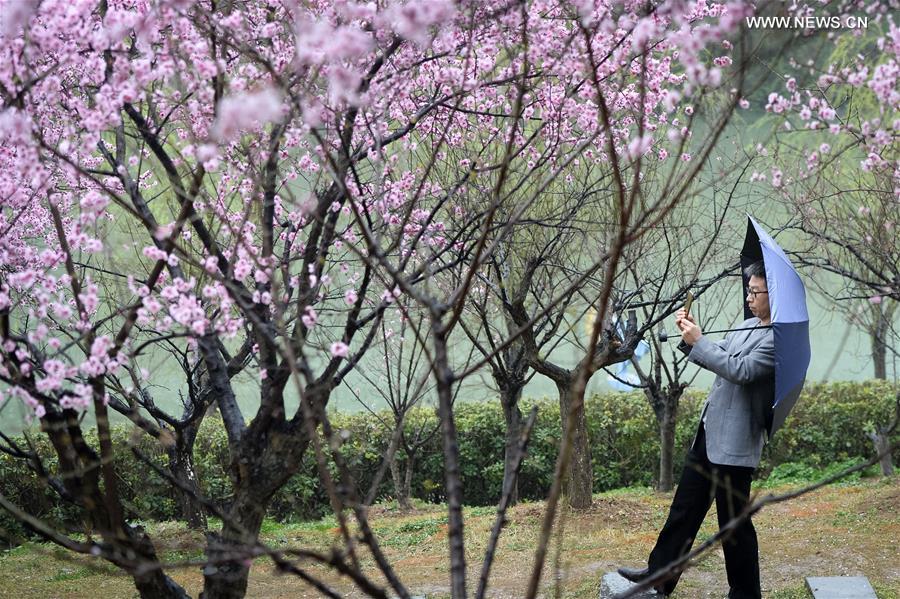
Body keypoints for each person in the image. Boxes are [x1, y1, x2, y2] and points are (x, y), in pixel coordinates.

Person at [617, 261, 775, 599]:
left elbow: (741, 370)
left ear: (773, 295)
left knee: (734, 523)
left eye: (755, 292)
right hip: (711, 430)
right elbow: (721, 354)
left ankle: (746, 593)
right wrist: (692, 338)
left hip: (735, 442)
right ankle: (659, 573)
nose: (749, 297)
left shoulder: (777, 339)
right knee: (685, 507)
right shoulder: (748, 325)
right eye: (748, 290)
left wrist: (700, 342)